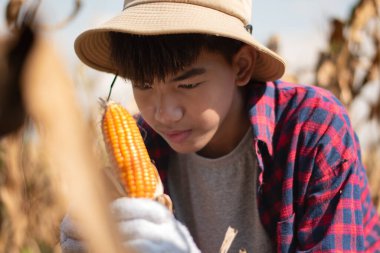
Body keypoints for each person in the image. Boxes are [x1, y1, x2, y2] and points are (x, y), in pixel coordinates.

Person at [60, 0, 380, 252]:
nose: (163, 114)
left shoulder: (313, 131)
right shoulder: (148, 143)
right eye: (142, 85)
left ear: (240, 66)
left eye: (187, 85)